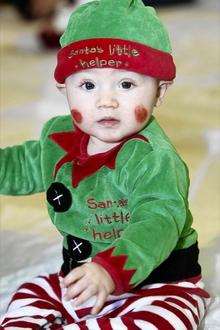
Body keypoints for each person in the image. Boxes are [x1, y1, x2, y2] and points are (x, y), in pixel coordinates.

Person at [0, 0, 210, 329]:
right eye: (87, 85)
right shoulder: (57, 140)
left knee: (160, 322)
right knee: (32, 293)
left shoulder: (153, 158)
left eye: (126, 85)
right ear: (63, 89)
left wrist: (111, 270)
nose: (106, 101)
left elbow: (159, 221)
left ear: (159, 92)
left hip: (157, 284)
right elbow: (16, 167)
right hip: (84, 277)